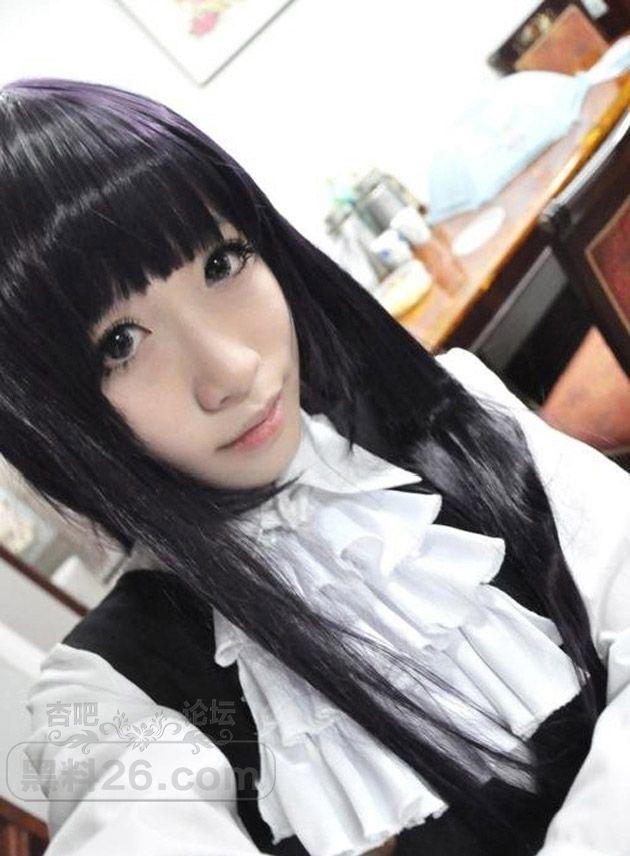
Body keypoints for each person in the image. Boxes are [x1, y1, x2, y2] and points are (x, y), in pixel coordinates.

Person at [0, 77, 628, 856]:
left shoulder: (454, 407)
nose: (231, 371)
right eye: (120, 344)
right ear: (51, 417)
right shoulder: (112, 691)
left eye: (222, 262)